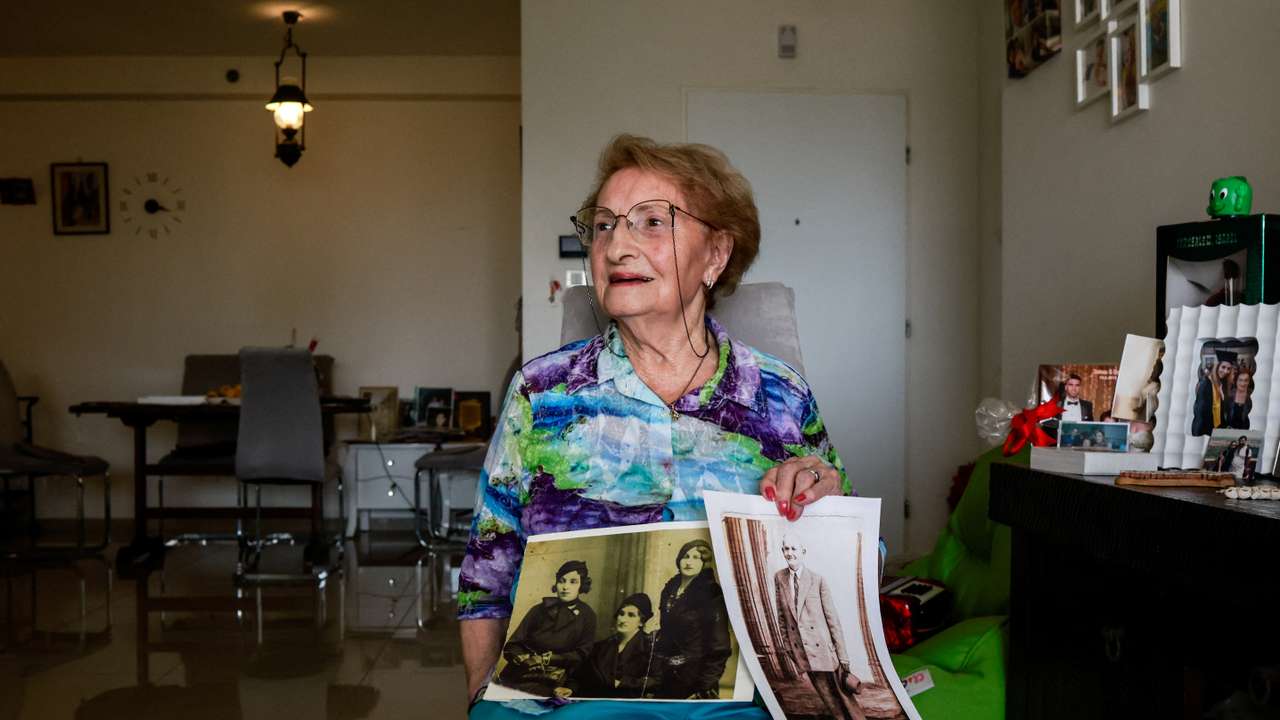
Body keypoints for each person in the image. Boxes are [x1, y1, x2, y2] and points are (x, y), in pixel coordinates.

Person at [460, 135, 850, 719]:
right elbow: (486, 569)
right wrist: (480, 696)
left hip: (735, 703)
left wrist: (823, 493)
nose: (617, 246)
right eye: (604, 226)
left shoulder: (780, 395)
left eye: (651, 222)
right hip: (565, 704)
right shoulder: (543, 393)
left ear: (715, 255)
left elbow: (841, 553)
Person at [774, 534, 866, 720]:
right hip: (804, 653)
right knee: (829, 700)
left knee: (844, 698)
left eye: (793, 549)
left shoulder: (817, 580)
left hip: (826, 652)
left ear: (803, 551)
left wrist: (843, 656)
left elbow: (833, 621)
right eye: (786, 549)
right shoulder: (779, 578)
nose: (790, 553)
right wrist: (790, 649)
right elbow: (782, 618)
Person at [494, 561, 597, 698]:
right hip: (520, 673)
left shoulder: (587, 615)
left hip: (557, 679)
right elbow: (513, 645)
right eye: (562, 581)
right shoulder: (539, 609)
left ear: (582, 585)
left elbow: (583, 655)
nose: (565, 587)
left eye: (573, 582)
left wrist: (549, 659)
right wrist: (521, 657)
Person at [653, 539, 732, 700]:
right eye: (686, 556)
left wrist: (704, 688)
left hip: (695, 678)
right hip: (666, 675)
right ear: (679, 560)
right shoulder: (669, 589)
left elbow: (720, 647)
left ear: (704, 563)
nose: (689, 562)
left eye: (697, 558)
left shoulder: (712, 593)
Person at [577, 594, 657, 699]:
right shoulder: (600, 647)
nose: (623, 619)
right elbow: (581, 675)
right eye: (621, 614)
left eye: (631, 615)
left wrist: (623, 683)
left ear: (641, 622)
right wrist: (570, 688)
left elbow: (656, 681)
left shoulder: (650, 648)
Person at [1192, 354, 1236, 436]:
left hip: (1218, 428)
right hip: (1205, 430)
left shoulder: (1222, 384)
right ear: (1217, 367)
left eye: (1229, 369)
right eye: (1223, 367)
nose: (1226, 371)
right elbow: (1200, 413)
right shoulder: (1205, 384)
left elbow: (1221, 410)